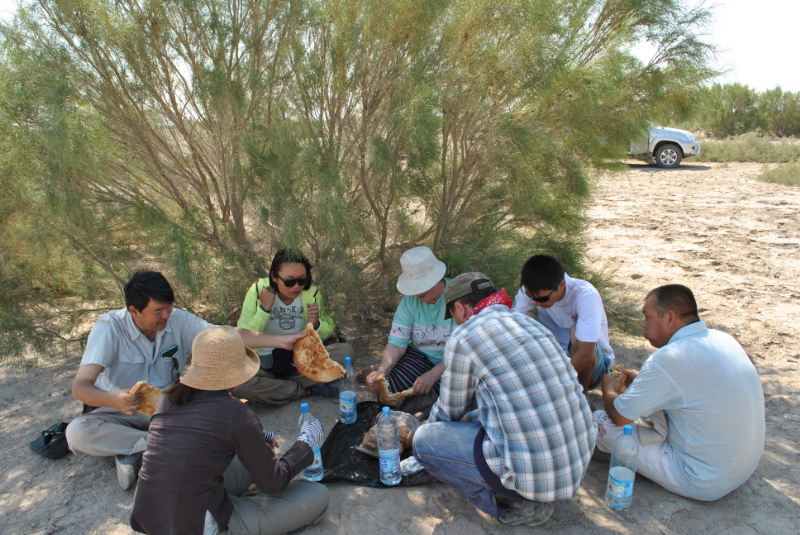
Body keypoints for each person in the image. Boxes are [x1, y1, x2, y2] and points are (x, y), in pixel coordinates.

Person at [65, 271, 306, 490]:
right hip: (120, 409)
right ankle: (152, 448)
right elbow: (80, 387)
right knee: (77, 432)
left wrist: (280, 341)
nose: (166, 315)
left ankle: (138, 452)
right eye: (158, 311)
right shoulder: (109, 328)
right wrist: (113, 400)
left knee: (225, 417)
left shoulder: (177, 320)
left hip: (171, 406)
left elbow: (224, 337)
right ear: (134, 311)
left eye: (168, 307)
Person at [413, 273, 596, 527]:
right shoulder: (530, 324)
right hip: (576, 462)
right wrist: (471, 417)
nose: (456, 321)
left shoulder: (464, 336)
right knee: (474, 420)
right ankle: (527, 492)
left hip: (536, 477)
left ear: (460, 308)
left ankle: (510, 501)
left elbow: (448, 412)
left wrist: (421, 434)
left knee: (424, 442)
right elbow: (524, 400)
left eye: (453, 315)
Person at [130, 326, 329, 535]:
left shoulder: (168, 398)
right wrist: (306, 442)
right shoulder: (235, 413)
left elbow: (199, 437)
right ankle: (236, 518)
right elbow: (274, 483)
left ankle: (240, 503)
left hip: (150, 517)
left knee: (245, 461)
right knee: (317, 495)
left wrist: (256, 436)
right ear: (237, 372)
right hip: (195, 526)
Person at [595, 285, 765, 501]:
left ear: (670, 318)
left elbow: (620, 416)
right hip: (742, 467)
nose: (643, 324)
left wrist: (607, 387)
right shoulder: (724, 339)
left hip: (702, 479)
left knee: (598, 422)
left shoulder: (668, 358)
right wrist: (641, 381)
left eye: (647, 317)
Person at [235, 249, 355, 405]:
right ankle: (305, 390)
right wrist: (264, 309)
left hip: (301, 362)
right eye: (289, 281)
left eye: (302, 280)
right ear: (274, 277)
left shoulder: (311, 293)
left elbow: (328, 330)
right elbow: (242, 338)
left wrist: (316, 324)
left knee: (345, 353)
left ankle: (276, 391)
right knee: (237, 383)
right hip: (263, 365)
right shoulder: (257, 292)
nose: (297, 286)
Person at [362, 246, 454, 402]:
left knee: (434, 398)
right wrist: (382, 371)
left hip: (452, 363)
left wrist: (433, 375)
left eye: (423, 285)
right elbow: (397, 344)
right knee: (386, 387)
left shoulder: (457, 296)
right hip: (420, 355)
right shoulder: (409, 301)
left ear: (438, 278)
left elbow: (463, 350)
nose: (418, 292)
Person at [514, 254, 615, 391]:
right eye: (532, 298)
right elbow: (512, 325)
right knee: (524, 319)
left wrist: (552, 382)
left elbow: (586, 354)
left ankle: (581, 395)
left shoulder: (586, 295)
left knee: (576, 332)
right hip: (555, 358)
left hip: (590, 367)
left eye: (542, 299)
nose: (537, 303)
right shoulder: (531, 290)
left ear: (562, 285)